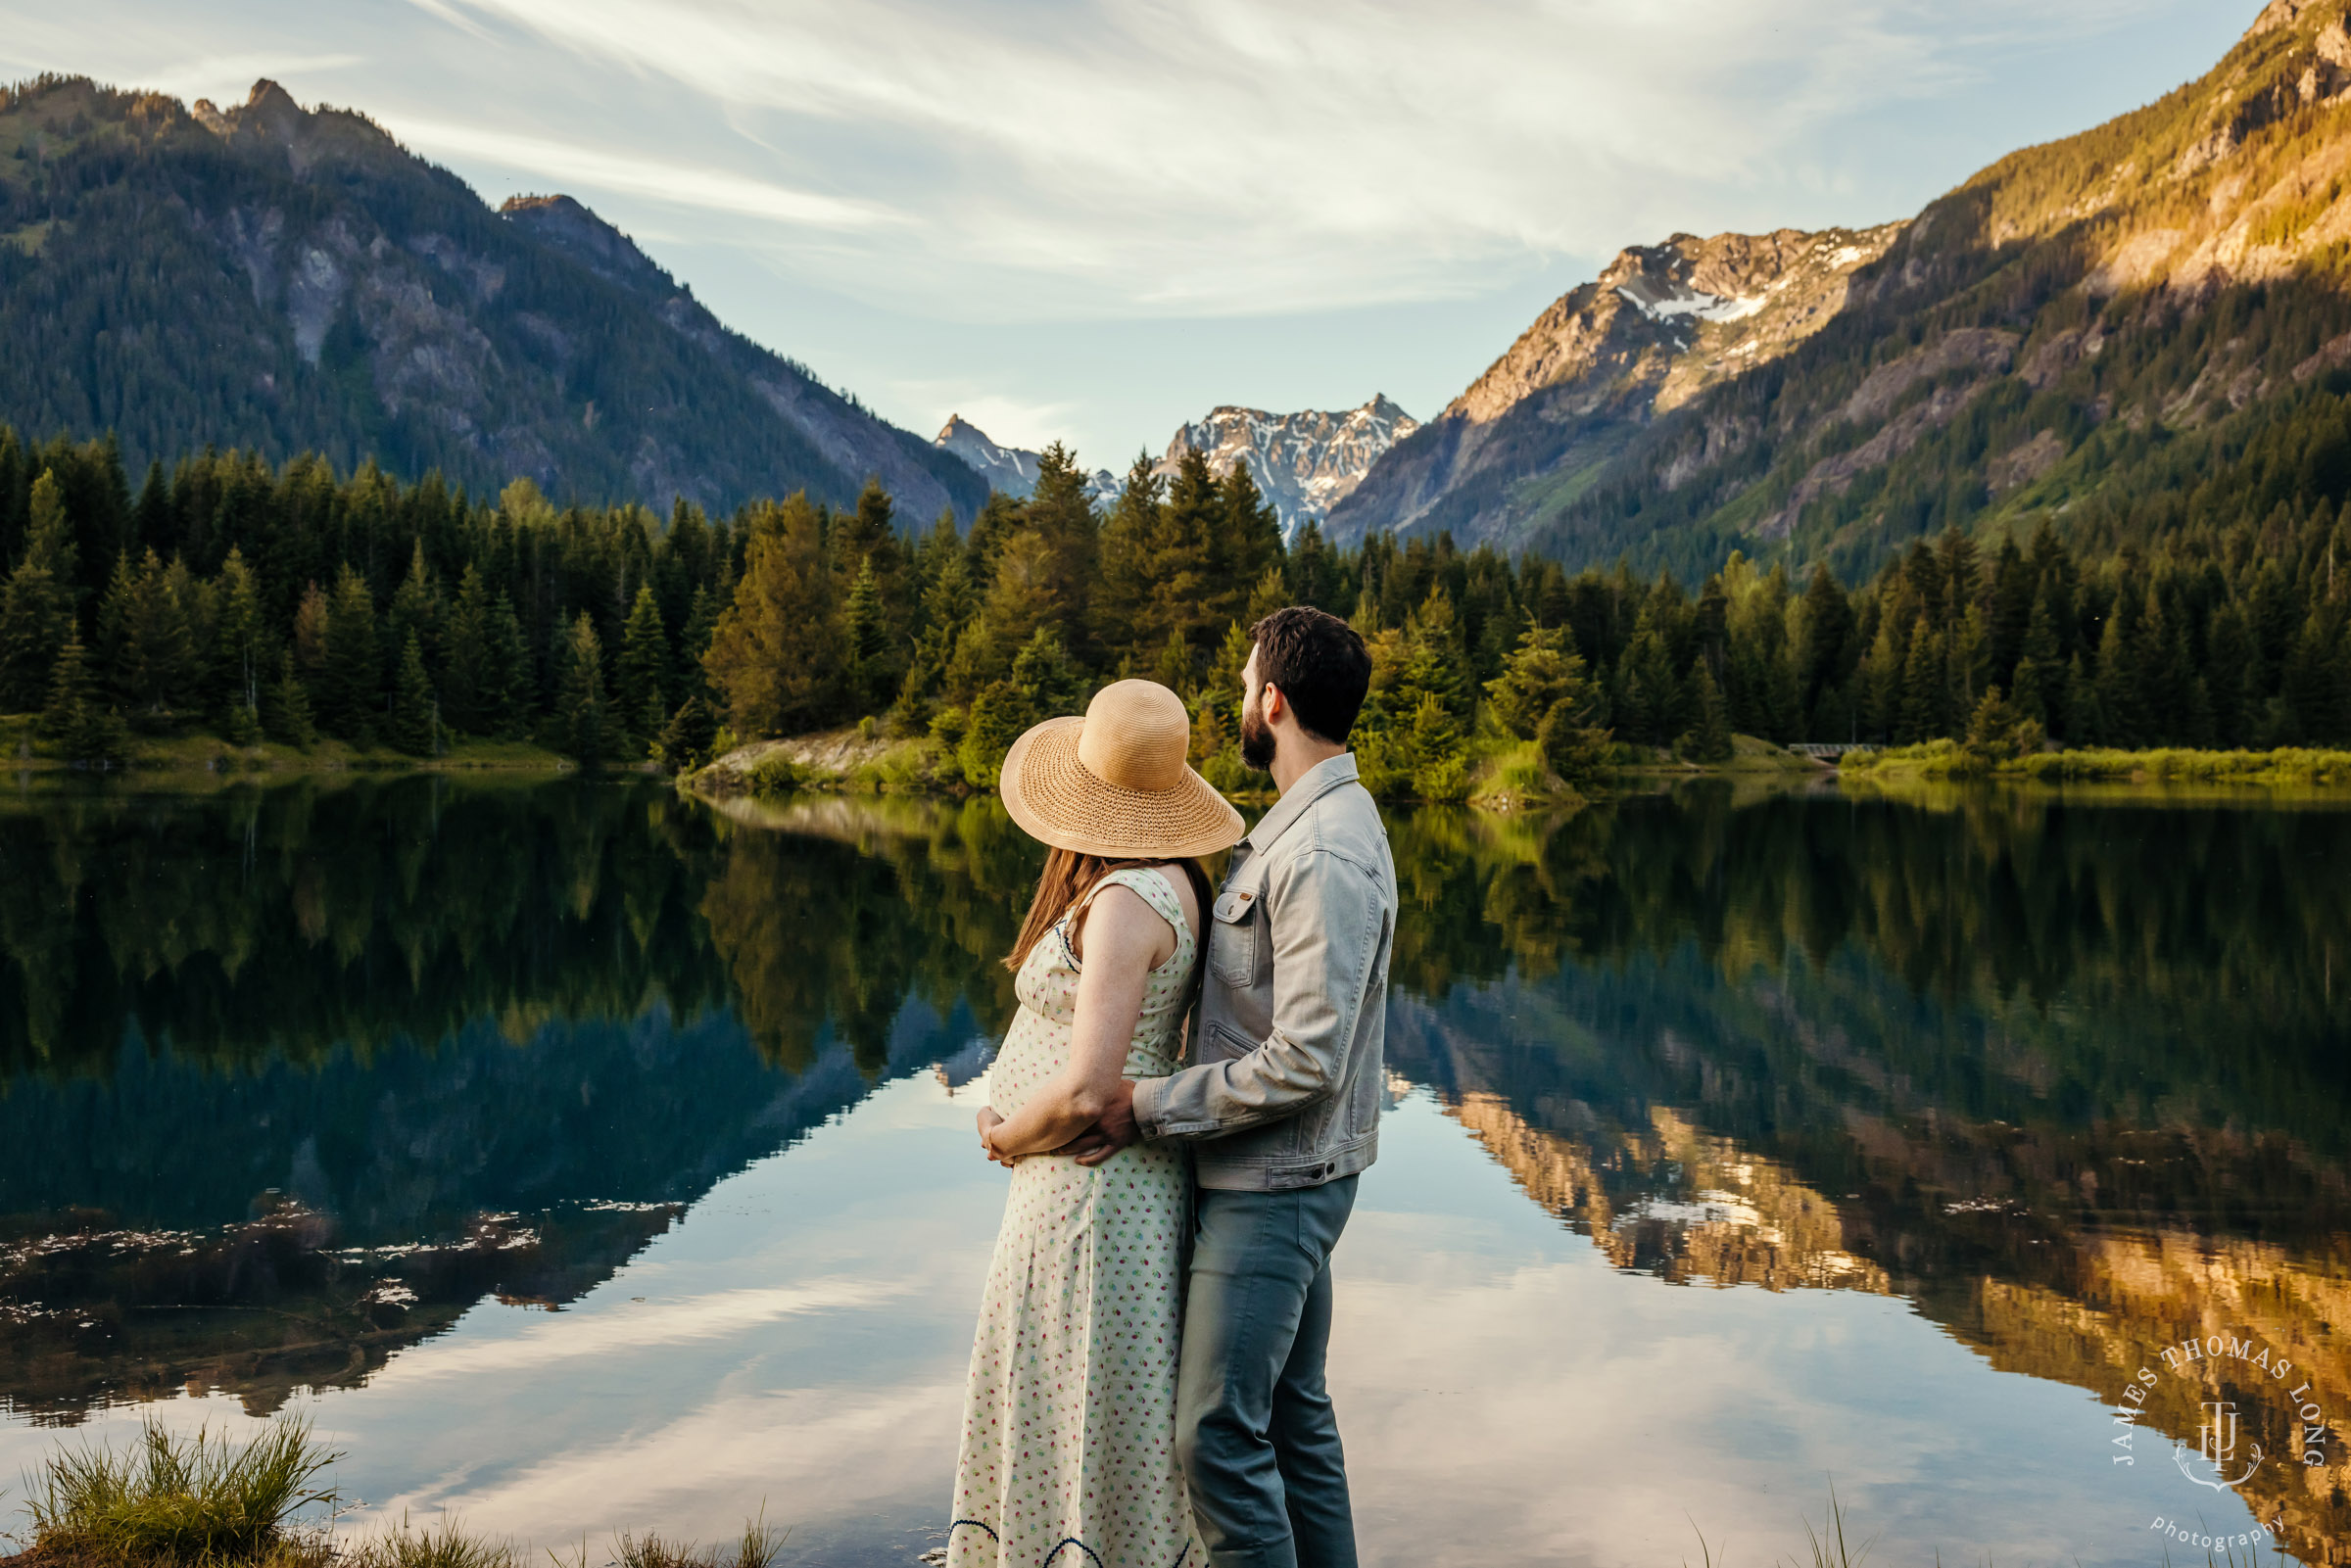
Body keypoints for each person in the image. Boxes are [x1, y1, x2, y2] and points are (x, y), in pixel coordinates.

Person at [1086, 606, 1396, 1568]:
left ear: (1274, 700)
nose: (1238, 700)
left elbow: (1307, 1057)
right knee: (1293, 1417)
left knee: (1215, 1437)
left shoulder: (1321, 852)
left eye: (1244, 682)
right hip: (1286, 1177)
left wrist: (1147, 1103)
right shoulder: (1310, 826)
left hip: (1277, 1187)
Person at [948, 677, 1245, 1568]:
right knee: (1093, 1400)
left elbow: (1085, 1089)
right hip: (1103, 1194)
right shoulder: (1174, 884)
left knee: (1074, 1396)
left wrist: (1005, 1135)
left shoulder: (1124, 901)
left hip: (1090, 1203)